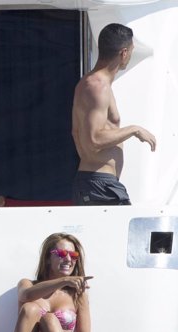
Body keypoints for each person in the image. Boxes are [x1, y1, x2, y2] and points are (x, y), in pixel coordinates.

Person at [71, 23, 156, 205]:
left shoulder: (92, 84)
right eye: (131, 51)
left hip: (97, 183)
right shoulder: (98, 87)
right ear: (124, 53)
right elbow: (94, 140)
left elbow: (78, 133)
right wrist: (134, 130)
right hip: (99, 185)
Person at [3, 233, 98, 332]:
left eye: (73, 255)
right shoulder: (27, 284)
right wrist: (64, 281)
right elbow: (25, 295)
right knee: (29, 308)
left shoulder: (78, 294)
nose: (68, 259)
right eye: (61, 253)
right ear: (47, 258)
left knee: (49, 319)